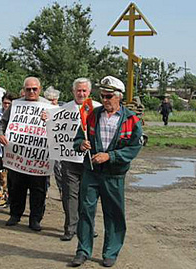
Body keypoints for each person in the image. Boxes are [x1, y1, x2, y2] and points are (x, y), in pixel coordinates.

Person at [70, 76, 142, 268]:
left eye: (109, 96)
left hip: (114, 175)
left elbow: (134, 148)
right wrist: (81, 144)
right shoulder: (92, 115)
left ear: (119, 97)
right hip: (91, 172)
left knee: (113, 214)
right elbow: (77, 139)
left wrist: (110, 156)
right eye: (102, 96)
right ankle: (83, 251)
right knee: (85, 211)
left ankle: (110, 252)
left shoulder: (132, 120)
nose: (105, 100)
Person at [0, 77, 50, 231]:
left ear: (40, 89)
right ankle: (15, 214)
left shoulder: (48, 106)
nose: (31, 92)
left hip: (39, 159)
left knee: (38, 191)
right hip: (18, 157)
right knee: (16, 188)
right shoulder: (15, 104)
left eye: (34, 89)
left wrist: (50, 119)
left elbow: (57, 127)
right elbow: (2, 123)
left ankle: (35, 219)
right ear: (23, 90)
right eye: (28, 89)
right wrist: (0, 135)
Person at [58, 78, 101, 241]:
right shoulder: (63, 109)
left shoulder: (97, 108)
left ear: (89, 92)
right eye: (78, 90)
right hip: (69, 159)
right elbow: (52, 126)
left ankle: (89, 228)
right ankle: (70, 228)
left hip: (90, 160)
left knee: (89, 196)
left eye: (84, 91)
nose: (81, 93)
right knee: (70, 195)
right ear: (73, 91)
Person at [43, 86, 63, 198]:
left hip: (57, 144)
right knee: (45, 168)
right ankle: (45, 189)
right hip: (44, 144)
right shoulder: (43, 111)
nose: (52, 101)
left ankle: (62, 190)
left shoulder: (62, 111)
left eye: (54, 99)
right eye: (49, 99)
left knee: (58, 169)